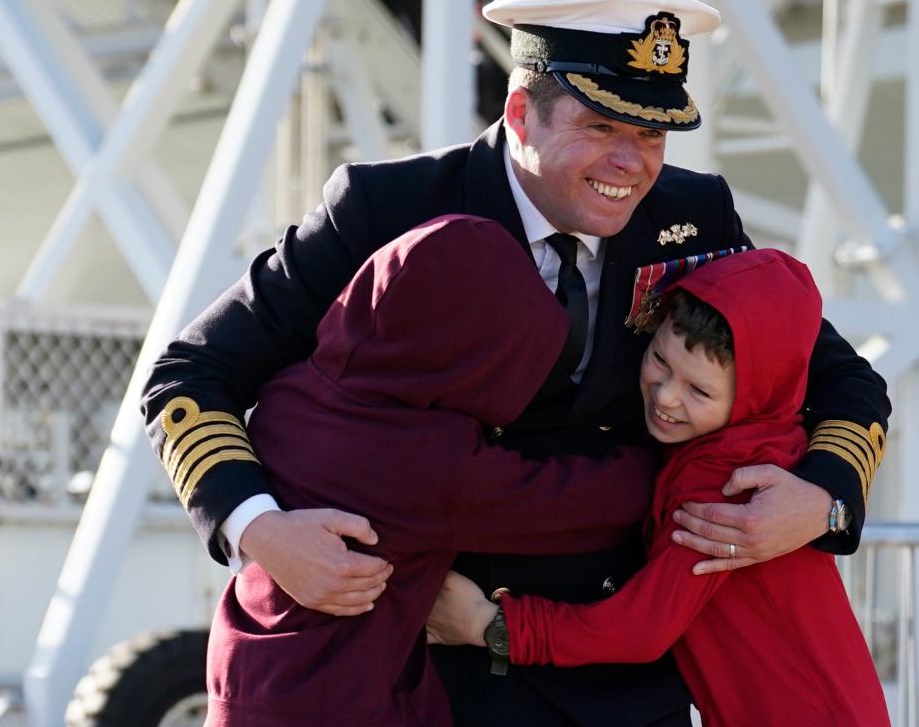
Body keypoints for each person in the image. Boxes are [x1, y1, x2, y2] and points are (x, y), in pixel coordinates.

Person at [142, 0, 891, 724]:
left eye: (654, 137)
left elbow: (841, 382)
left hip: (622, 672)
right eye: (601, 126)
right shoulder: (385, 210)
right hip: (433, 666)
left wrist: (821, 500)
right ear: (520, 111)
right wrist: (260, 531)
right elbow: (190, 376)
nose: (630, 163)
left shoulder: (690, 217)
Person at [206, 215, 665, 725]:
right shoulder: (426, 463)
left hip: (248, 671)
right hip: (339, 699)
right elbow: (584, 500)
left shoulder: (295, 391)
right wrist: (681, 457)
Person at [427, 248, 890, 726]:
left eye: (699, 391)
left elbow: (642, 629)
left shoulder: (728, 482)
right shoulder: (738, 445)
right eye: (659, 360)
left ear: (755, 396)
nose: (666, 396)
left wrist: (492, 625)